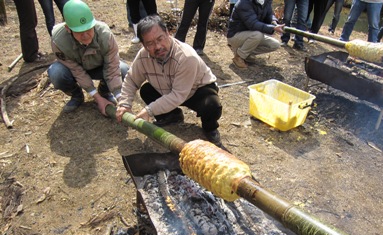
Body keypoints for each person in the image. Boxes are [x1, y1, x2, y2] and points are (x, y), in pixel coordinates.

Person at [116, 15, 223, 146]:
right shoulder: (143, 56)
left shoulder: (186, 57)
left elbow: (178, 95)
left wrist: (149, 110)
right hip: (167, 89)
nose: (158, 46)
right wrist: (124, 104)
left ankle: (210, 127)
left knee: (211, 104)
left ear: (168, 33)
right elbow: (132, 79)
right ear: (143, 45)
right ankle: (172, 116)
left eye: (160, 39)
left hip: (196, 91)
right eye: (150, 43)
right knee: (146, 90)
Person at [47, 0, 129, 114]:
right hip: (74, 70)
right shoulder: (59, 41)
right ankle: (77, 95)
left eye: (88, 29)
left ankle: (104, 91)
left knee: (123, 69)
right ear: (68, 29)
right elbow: (76, 70)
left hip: (99, 67)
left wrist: (120, 99)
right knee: (57, 74)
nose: (85, 35)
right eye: (79, 32)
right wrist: (97, 98)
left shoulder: (104, 35)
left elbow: (112, 67)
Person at [227, 0, 284, 69]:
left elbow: (269, 14)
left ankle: (245, 54)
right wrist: (273, 28)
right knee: (258, 35)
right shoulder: (244, 3)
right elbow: (253, 24)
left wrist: (274, 22)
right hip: (235, 36)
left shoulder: (266, 1)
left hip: (252, 34)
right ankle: (239, 57)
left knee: (275, 45)